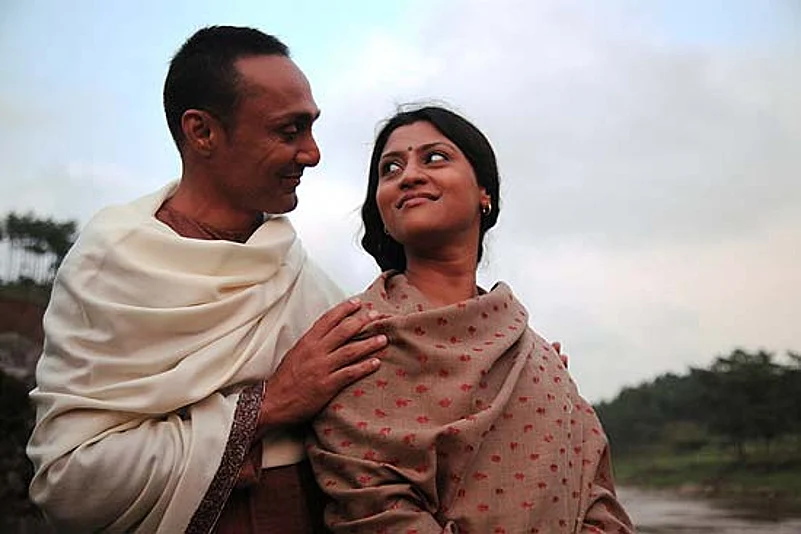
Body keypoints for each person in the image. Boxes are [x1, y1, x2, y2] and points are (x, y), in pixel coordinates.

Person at [26, 26, 388, 533]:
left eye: (311, 129)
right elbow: (70, 482)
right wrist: (270, 405)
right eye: (289, 132)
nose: (312, 153)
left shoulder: (298, 273)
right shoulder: (114, 262)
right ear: (202, 133)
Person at [308, 106, 635, 533]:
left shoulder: (539, 360)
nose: (409, 176)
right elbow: (375, 509)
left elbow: (596, 495)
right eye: (391, 169)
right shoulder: (356, 340)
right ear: (383, 212)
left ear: (485, 193)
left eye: (434, 158)